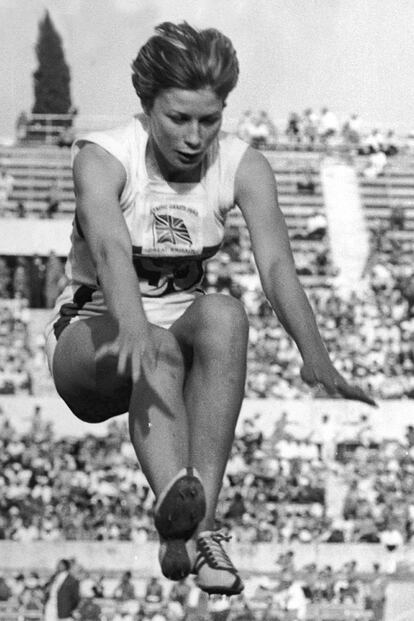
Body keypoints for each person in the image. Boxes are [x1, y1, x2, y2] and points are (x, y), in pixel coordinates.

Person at [44, 22, 375, 597]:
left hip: (175, 335)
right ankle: (190, 518)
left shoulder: (244, 165)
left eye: (210, 119)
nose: (196, 136)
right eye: (178, 119)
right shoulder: (103, 157)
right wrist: (132, 326)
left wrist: (314, 353)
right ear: (147, 108)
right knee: (161, 346)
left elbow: (275, 267)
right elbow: (110, 246)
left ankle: (194, 532)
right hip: (93, 334)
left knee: (224, 312)